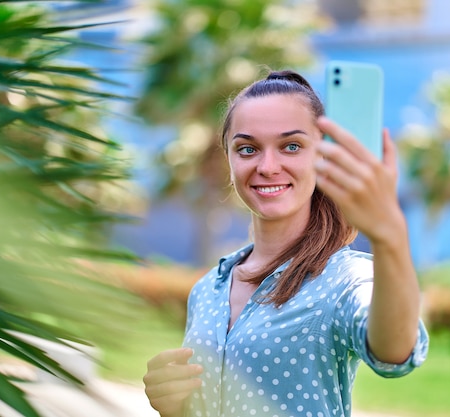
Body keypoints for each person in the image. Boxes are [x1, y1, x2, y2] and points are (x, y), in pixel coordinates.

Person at [143, 69, 429, 417]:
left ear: (321, 156)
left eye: (291, 146)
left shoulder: (342, 279)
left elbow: (395, 351)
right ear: (229, 158)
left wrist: (390, 238)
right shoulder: (208, 288)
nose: (267, 166)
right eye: (247, 149)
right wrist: (174, 405)